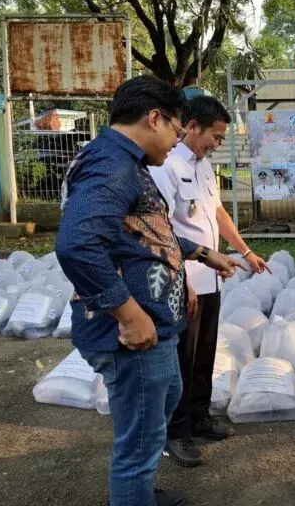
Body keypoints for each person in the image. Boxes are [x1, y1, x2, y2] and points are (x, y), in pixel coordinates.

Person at [56, 76, 241, 506]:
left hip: (156, 322)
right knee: (140, 437)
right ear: (154, 118)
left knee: (160, 407)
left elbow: (143, 233)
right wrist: (129, 314)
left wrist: (196, 254)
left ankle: (140, 493)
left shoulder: (128, 162)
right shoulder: (111, 165)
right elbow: (77, 244)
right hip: (130, 336)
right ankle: (135, 497)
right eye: (177, 132)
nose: (176, 142)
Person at [150, 96, 269, 467]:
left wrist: (245, 251)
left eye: (221, 139)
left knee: (203, 354)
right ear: (192, 126)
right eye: (214, 137)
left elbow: (216, 213)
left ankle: (199, 416)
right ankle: (175, 432)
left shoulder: (203, 168)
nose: (217, 145)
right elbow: (162, 230)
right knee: (180, 361)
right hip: (182, 281)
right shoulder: (165, 167)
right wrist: (183, 275)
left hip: (211, 279)